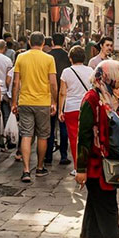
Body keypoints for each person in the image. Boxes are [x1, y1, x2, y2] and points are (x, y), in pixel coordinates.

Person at [76, 60, 119, 238]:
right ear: (107, 77)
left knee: (96, 204)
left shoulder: (112, 97)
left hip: (111, 161)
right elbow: (84, 136)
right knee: (108, 207)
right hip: (96, 165)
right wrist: (81, 169)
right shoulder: (91, 98)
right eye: (117, 77)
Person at [12, 31, 58, 183]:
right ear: (44, 43)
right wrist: (54, 102)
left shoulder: (21, 57)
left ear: (30, 42)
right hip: (43, 102)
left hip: (25, 101)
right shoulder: (49, 59)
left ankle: (26, 170)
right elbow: (53, 83)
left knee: (26, 135)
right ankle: (39, 167)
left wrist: (14, 102)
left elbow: (16, 82)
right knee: (43, 135)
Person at [59, 45, 95, 176]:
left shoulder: (66, 72)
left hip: (71, 108)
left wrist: (60, 110)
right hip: (87, 107)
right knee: (88, 136)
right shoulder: (90, 70)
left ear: (70, 58)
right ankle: (88, 165)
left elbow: (62, 93)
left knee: (74, 139)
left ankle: (77, 167)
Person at [47, 33, 73, 166]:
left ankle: (48, 156)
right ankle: (63, 155)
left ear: (52, 41)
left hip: (49, 95)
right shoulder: (67, 56)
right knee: (63, 125)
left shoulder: (48, 56)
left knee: (49, 127)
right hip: (64, 94)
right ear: (64, 42)